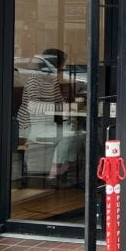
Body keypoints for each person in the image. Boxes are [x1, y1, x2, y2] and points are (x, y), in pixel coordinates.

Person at [16, 47, 85, 182]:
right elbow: (34, 107)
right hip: (29, 126)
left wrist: (72, 107)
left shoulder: (52, 80)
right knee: (68, 135)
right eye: (63, 64)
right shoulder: (34, 80)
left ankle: (64, 165)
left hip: (47, 125)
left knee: (80, 134)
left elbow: (59, 102)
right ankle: (54, 171)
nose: (64, 67)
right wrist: (69, 106)